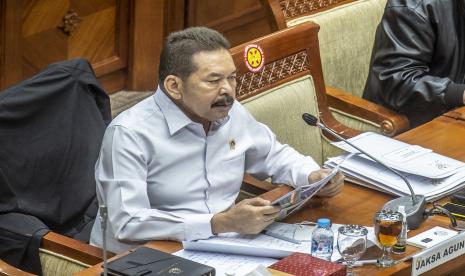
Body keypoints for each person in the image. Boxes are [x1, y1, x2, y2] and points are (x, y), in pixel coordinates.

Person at [90, 27, 344, 253]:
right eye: (213, 80)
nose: (228, 90)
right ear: (174, 86)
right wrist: (219, 222)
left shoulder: (229, 111)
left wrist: (311, 175)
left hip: (226, 242)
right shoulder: (129, 134)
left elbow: (271, 155)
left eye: (231, 78)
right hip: (149, 255)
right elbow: (128, 221)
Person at [363, 0, 465, 128]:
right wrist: (458, 93)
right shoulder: (413, 5)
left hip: (452, 118)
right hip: (401, 125)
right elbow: (395, 81)